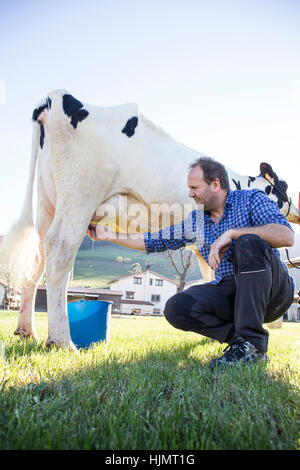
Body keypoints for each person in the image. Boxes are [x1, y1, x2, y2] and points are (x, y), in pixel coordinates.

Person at [87, 157, 295, 369]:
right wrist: (109, 235)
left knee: (247, 242)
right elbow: (152, 240)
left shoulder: (252, 199)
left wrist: (233, 234)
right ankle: (241, 344)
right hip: (235, 294)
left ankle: (254, 343)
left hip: (274, 291)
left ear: (215, 184)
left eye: (195, 187)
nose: (190, 193)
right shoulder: (194, 222)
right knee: (177, 307)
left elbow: (286, 236)